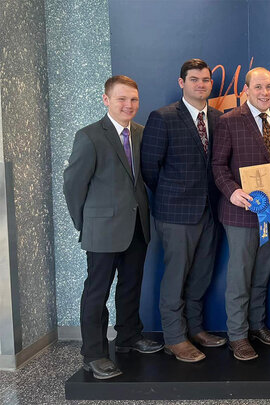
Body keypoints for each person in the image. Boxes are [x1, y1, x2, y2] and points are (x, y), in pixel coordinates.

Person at [63, 75, 162, 380]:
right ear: (106, 100)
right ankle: (93, 354)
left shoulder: (142, 134)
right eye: (121, 99)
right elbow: (73, 185)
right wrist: (86, 225)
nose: (128, 105)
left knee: (131, 286)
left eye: (133, 99)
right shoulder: (90, 136)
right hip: (102, 230)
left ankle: (129, 337)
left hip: (136, 227)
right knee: (97, 292)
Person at [141, 59, 225, 363]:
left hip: (210, 212)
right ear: (182, 83)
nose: (200, 84)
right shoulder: (163, 118)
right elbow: (150, 169)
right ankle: (175, 338)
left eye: (205, 80)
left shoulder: (218, 118)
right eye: (194, 79)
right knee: (176, 277)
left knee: (201, 274)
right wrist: (171, 196)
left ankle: (195, 328)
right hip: (175, 213)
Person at [212, 67, 270, 361]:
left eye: (269, 87)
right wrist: (232, 191)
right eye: (258, 87)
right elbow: (218, 166)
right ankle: (237, 335)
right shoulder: (229, 121)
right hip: (241, 214)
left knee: (262, 273)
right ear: (245, 90)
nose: (264, 93)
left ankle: (257, 326)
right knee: (240, 276)